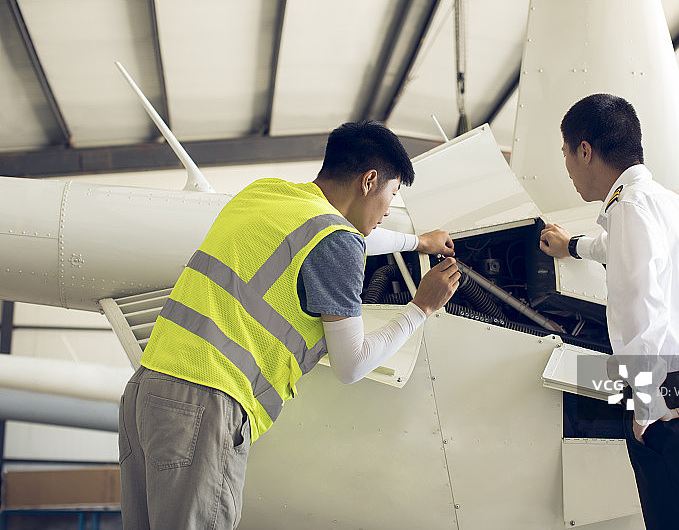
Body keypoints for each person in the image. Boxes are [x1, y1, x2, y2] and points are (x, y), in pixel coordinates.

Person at [118, 120, 461, 529]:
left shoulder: (267, 194)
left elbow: (346, 235)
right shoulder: (337, 241)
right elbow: (352, 364)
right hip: (207, 402)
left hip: (147, 391)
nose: (388, 211)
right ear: (369, 181)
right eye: (392, 194)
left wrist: (417, 242)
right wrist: (421, 307)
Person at [539, 94, 679, 530]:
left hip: (669, 407)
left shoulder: (628, 208)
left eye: (566, 154)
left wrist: (646, 403)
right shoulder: (672, 206)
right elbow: (620, 250)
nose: (567, 167)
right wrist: (572, 246)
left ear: (585, 151)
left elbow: (639, 305)